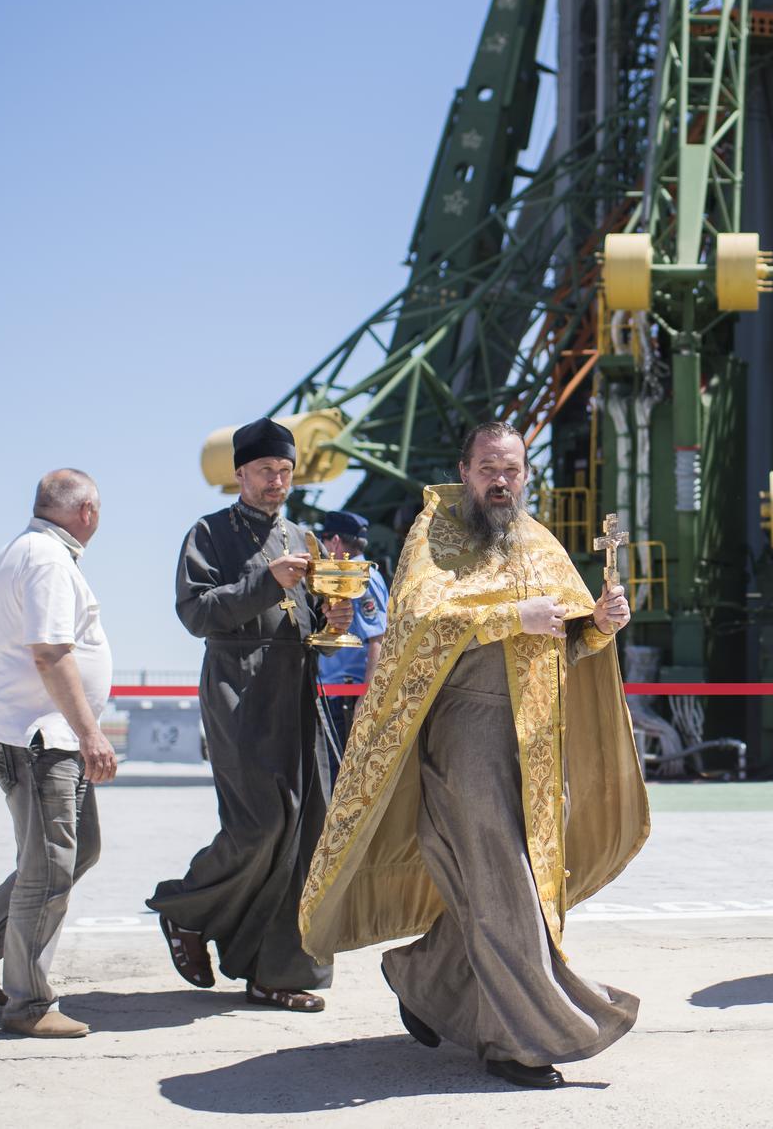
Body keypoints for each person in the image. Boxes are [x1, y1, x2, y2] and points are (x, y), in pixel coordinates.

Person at [298, 420, 648, 1090]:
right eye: (489, 466)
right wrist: (510, 617)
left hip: (538, 735)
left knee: (508, 885)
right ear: (465, 469)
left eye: (513, 469)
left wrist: (597, 627)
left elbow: (565, 640)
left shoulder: (540, 542)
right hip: (468, 733)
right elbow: (415, 628)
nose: (501, 480)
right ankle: (524, 1037)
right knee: (507, 885)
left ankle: (423, 979)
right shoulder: (435, 537)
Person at [148, 418, 353, 1013]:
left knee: (310, 830)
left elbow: (311, 619)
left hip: (297, 688)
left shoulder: (303, 537)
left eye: (285, 472)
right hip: (239, 689)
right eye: (266, 471)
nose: (276, 482)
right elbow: (197, 613)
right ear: (239, 473)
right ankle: (186, 911)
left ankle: (278, 974)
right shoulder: (209, 533)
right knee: (259, 825)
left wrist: (331, 624)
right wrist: (266, 582)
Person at [0, 470, 114, 1039]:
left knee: (78, 850)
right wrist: (90, 733)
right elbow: (51, 653)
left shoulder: (34, 552)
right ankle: (29, 1003)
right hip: (40, 738)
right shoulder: (47, 560)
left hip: (45, 735)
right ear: (86, 511)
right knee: (49, 867)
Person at [310, 509, 388, 779]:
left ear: (333, 542)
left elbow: (378, 638)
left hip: (347, 697)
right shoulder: (360, 575)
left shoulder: (360, 578)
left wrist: (367, 697)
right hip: (336, 693)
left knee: (339, 780)